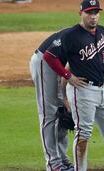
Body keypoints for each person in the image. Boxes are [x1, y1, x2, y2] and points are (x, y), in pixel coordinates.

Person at [43, 0, 104, 171]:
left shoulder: (103, 32)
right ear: (81, 13)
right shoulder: (70, 35)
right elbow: (49, 56)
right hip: (82, 90)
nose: (93, 17)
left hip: (102, 90)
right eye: (89, 13)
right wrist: (68, 75)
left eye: (96, 12)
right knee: (83, 134)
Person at [30, 33, 74, 171]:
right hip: (44, 62)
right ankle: (53, 164)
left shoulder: (96, 41)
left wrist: (65, 100)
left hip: (59, 65)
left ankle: (62, 159)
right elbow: (50, 56)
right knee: (48, 114)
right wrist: (65, 96)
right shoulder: (79, 35)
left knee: (63, 113)